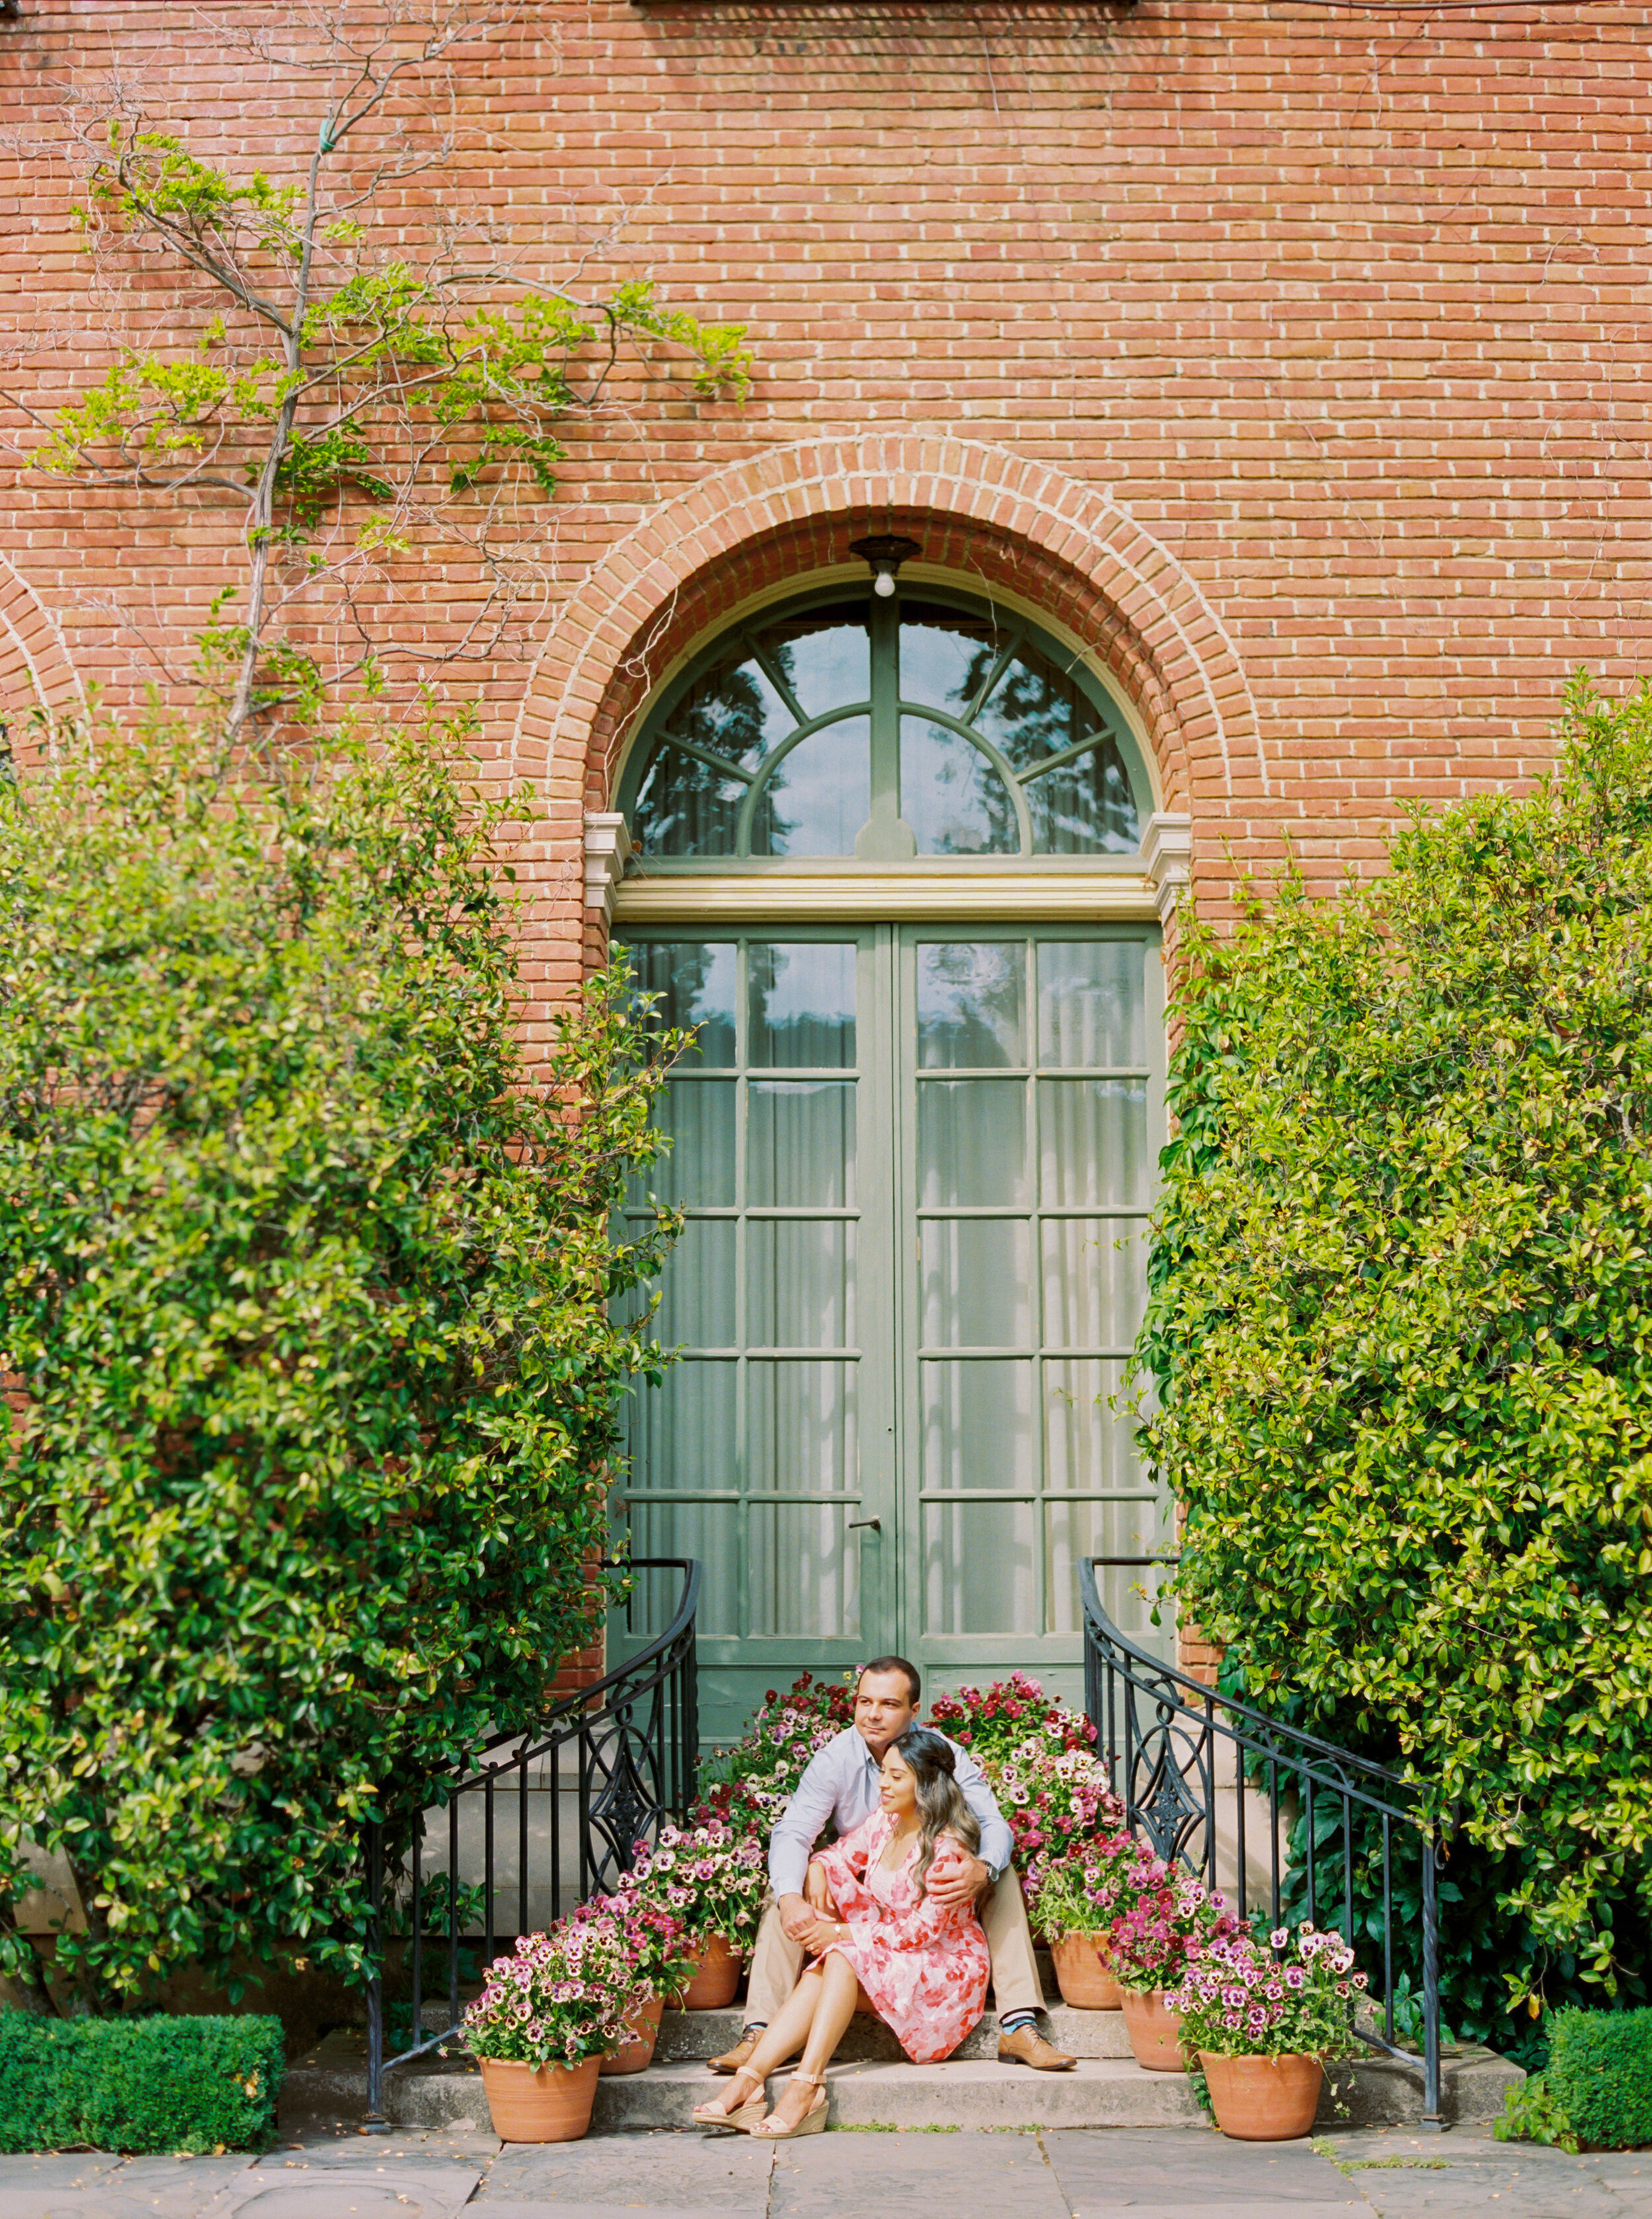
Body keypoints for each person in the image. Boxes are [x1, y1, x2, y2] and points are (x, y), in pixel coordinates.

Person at [706, 1655, 1074, 2077]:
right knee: (787, 1892)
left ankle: (1019, 2024)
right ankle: (762, 2030)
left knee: (999, 1872)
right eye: (865, 1702)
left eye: (889, 1705)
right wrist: (807, 1878)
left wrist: (982, 1868)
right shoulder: (835, 1759)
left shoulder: (941, 1754)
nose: (874, 1715)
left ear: (914, 1711)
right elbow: (794, 1832)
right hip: (866, 1887)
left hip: (929, 1891)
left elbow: (992, 1822)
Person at [692, 1727, 992, 2137]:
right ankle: (749, 2080)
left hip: (944, 1970)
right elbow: (838, 1853)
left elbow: (920, 1932)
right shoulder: (885, 1824)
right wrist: (817, 1867)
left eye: (896, 1777)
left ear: (926, 1784)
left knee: (841, 1954)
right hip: (896, 1954)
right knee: (834, 1960)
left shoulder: (947, 1850)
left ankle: (806, 2086)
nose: (883, 1784)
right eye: (883, 1772)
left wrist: (840, 1932)